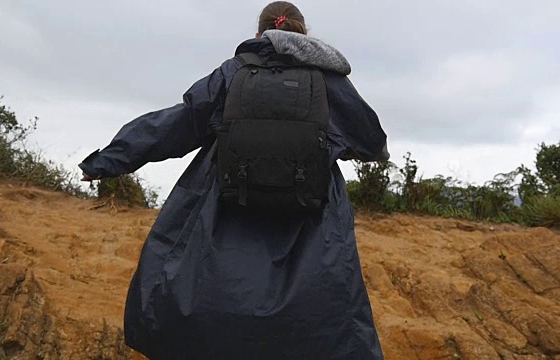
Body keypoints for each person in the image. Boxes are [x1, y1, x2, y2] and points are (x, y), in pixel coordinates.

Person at [79, 1, 389, 359]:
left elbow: (176, 125)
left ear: (259, 34)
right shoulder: (330, 81)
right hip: (312, 227)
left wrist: (109, 160)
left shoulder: (233, 72)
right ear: (305, 32)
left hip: (222, 216)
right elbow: (371, 142)